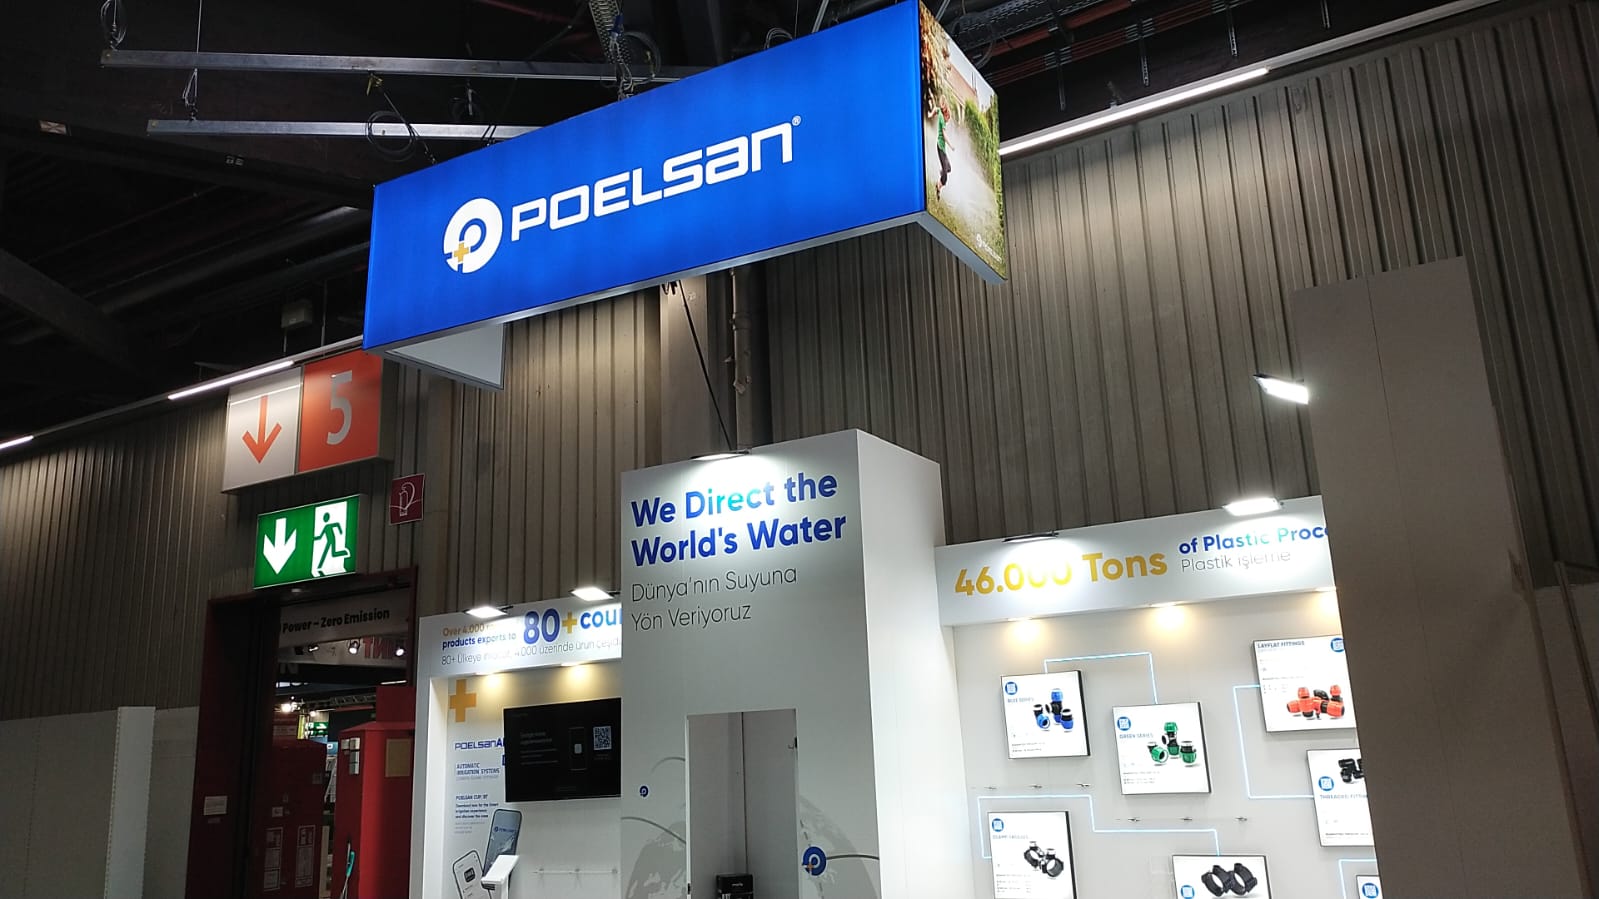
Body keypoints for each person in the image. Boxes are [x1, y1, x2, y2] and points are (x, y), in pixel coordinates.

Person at [935, 101, 952, 194]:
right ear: (946, 115)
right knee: (945, 177)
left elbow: (938, 110)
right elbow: (944, 136)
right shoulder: (942, 120)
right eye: (948, 118)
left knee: (949, 168)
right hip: (940, 148)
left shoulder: (943, 120)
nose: (948, 120)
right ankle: (938, 186)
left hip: (943, 150)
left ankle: (942, 171)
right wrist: (951, 146)